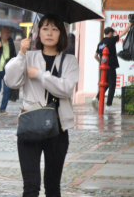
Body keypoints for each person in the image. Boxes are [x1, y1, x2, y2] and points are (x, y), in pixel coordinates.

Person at [4, 14, 79, 197]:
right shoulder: (28, 57)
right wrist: (21, 53)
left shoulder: (69, 61)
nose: (49, 33)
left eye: (55, 29)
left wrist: (39, 75)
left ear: (61, 33)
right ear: (38, 32)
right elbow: (11, 81)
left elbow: (66, 89)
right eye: (45, 28)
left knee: (53, 188)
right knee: (30, 187)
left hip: (58, 129)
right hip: (30, 125)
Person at [92, 24, 133, 109]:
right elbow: (123, 33)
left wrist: (102, 63)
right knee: (112, 85)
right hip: (111, 66)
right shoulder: (111, 40)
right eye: (113, 33)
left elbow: (95, 55)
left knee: (105, 85)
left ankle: (96, 98)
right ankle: (109, 105)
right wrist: (130, 24)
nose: (113, 35)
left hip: (104, 68)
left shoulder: (100, 43)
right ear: (110, 33)